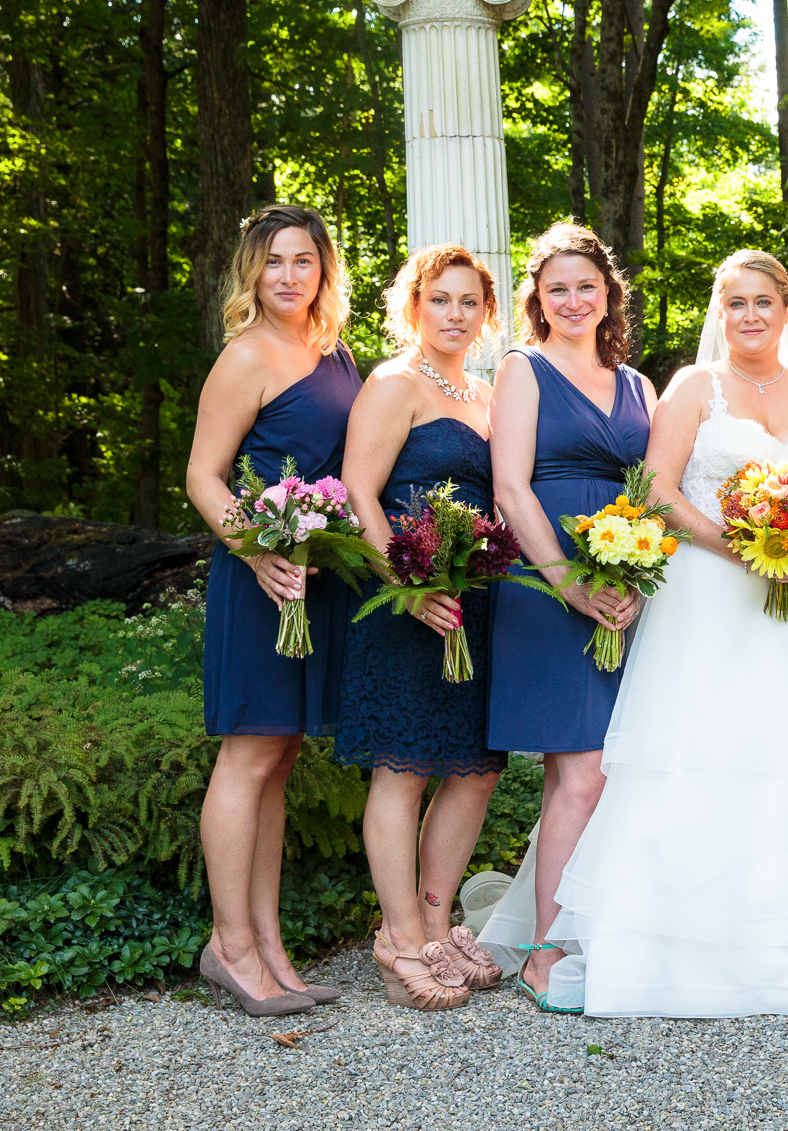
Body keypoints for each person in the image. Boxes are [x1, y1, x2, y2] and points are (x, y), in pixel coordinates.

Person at [543, 249, 788, 1018]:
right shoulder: (694, 387)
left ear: (786, 307)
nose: (749, 316)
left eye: (763, 302)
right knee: (699, 744)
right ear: (721, 312)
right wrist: (740, 545)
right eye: (735, 303)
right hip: (708, 593)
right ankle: (666, 945)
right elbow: (657, 488)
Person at [186, 205, 360, 1016]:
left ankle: (269, 943)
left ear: (324, 268)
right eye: (273, 262)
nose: (288, 276)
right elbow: (204, 476)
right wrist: (256, 552)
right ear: (251, 273)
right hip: (258, 578)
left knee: (281, 758)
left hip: (313, 578)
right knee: (248, 756)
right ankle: (230, 948)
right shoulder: (246, 355)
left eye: (303, 260)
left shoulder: (336, 353)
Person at [474, 225, 652, 1013]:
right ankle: (548, 954)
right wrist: (568, 585)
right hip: (546, 583)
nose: (574, 300)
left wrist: (641, 578)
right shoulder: (525, 368)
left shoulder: (641, 384)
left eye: (587, 286)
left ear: (608, 293)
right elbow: (510, 488)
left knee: (604, 772)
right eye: (557, 290)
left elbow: (652, 491)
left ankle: (589, 928)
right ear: (538, 302)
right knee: (580, 773)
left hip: (627, 581)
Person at [336, 244, 509, 1011]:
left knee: (475, 766)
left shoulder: (486, 392)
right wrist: (404, 584)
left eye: (469, 302)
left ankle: (438, 926)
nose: (455, 314)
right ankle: (398, 938)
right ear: (414, 305)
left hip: (476, 600)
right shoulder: (393, 383)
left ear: (487, 313)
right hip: (405, 603)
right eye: (440, 299)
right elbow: (359, 492)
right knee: (403, 768)